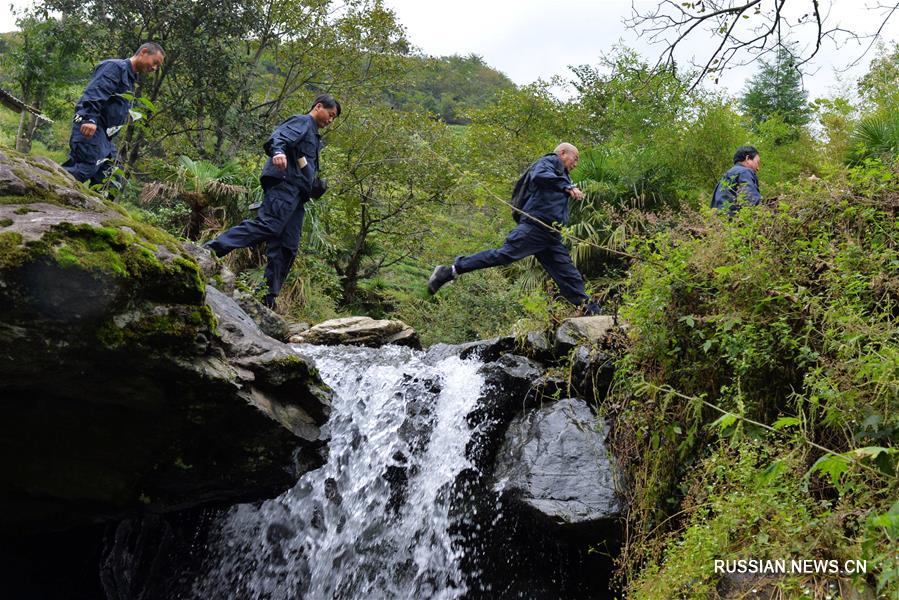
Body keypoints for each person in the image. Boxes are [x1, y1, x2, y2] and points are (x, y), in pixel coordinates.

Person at [428, 142, 600, 315]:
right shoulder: (550, 161)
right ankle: (449, 271)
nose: (575, 164)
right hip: (535, 229)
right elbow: (539, 175)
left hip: (550, 236)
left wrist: (566, 185)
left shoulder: (562, 175)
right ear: (563, 153)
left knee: (568, 273)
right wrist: (567, 186)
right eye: (575, 158)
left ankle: (589, 310)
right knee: (503, 255)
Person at [204, 94, 341, 309]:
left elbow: (305, 167)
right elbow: (279, 136)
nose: (330, 120)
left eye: (334, 118)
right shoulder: (303, 121)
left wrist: (315, 185)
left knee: (288, 245)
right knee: (268, 224)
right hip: (285, 186)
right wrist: (278, 152)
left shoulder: (314, 137)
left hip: (298, 196)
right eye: (330, 115)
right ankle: (212, 249)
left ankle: (268, 297)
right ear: (318, 107)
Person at [63, 43, 165, 185]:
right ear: (144, 52)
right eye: (155, 62)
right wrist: (89, 119)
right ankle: (45, 187)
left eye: (157, 66)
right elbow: (95, 92)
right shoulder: (115, 67)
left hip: (105, 136)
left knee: (112, 177)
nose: (154, 68)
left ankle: (90, 206)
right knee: (86, 168)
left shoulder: (131, 79)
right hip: (92, 126)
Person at [711, 146, 762, 215]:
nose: (758, 168)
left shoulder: (726, 176)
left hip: (718, 221)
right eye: (757, 162)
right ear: (747, 158)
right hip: (733, 222)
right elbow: (752, 200)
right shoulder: (744, 172)